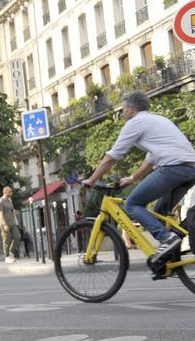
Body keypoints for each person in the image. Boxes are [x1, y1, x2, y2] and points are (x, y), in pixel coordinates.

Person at [83, 91, 195, 270]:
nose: (122, 113)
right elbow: (151, 158)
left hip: (173, 168)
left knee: (132, 204)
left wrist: (92, 179)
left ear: (131, 108)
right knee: (160, 213)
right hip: (190, 168)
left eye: (123, 109)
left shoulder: (135, 123)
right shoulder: (157, 120)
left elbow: (113, 156)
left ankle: (168, 239)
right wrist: (133, 178)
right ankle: (169, 259)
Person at [0, 187, 21, 263]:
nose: (11, 193)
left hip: (12, 222)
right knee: (6, 240)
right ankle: (7, 257)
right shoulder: (0, 202)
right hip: (5, 223)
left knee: (18, 237)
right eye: (10, 192)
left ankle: (11, 252)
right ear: (5, 192)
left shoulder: (10, 200)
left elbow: (11, 210)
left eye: (11, 191)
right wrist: (4, 225)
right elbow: (0, 214)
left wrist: (15, 212)